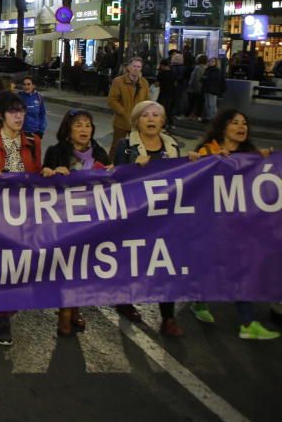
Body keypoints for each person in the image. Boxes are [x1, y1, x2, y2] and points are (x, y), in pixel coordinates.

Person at [188, 109, 279, 340]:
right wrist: (207, 161)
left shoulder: (250, 155)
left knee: (242, 268)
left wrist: (265, 163)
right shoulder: (207, 150)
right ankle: (199, 301)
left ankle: (247, 322)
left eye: (244, 123)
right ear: (223, 127)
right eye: (235, 122)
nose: (241, 127)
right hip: (212, 224)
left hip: (241, 226)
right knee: (211, 265)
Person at [0, 91, 42, 347]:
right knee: (0, 267)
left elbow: (35, 177)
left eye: (21, 111)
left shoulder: (33, 142)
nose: (18, 116)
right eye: (12, 112)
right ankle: (2, 316)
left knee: (16, 268)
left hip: (24, 216)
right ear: (0, 115)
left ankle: (3, 312)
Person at [110, 100, 185, 336]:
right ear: (137, 121)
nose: (151, 119)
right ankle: (125, 301)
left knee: (165, 264)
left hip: (164, 218)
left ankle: (168, 317)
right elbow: (117, 179)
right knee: (133, 261)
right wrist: (134, 166)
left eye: (156, 115)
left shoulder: (173, 147)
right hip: (135, 215)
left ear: (162, 121)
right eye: (145, 115)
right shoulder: (126, 146)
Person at [41, 109, 112, 336]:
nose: (84, 130)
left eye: (88, 125)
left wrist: (112, 173)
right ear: (69, 131)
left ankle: (75, 308)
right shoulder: (56, 152)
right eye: (79, 125)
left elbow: (112, 186)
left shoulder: (100, 154)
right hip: (64, 222)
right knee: (67, 268)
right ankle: (64, 311)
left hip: (91, 222)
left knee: (83, 269)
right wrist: (51, 172)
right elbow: (43, 182)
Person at [107, 57, 150, 159]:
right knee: (116, 147)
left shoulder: (144, 83)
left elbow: (147, 101)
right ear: (129, 68)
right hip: (121, 121)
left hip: (137, 122)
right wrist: (123, 112)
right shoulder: (118, 81)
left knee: (137, 147)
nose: (136, 69)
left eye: (138, 67)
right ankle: (109, 166)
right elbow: (112, 100)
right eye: (134, 66)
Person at [201, 56, 225, 122]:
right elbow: (203, 78)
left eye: (212, 61)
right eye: (209, 61)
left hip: (212, 89)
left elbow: (212, 79)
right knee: (207, 104)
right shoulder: (208, 69)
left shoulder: (216, 71)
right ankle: (210, 117)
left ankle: (213, 117)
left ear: (216, 63)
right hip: (207, 89)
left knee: (212, 104)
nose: (210, 63)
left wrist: (206, 78)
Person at [155, 59, 177, 130]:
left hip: (163, 93)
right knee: (168, 109)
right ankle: (171, 123)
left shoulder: (161, 74)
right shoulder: (173, 73)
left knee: (161, 109)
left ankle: (162, 124)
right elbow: (175, 83)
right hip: (171, 93)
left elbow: (157, 84)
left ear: (163, 65)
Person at [185, 54, 207, 120]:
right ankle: (197, 116)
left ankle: (188, 115)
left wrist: (197, 88)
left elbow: (195, 80)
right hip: (201, 89)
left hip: (194, 90)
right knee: (199, 104)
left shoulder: (197, 68)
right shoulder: (206, 68)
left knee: (191, 104)